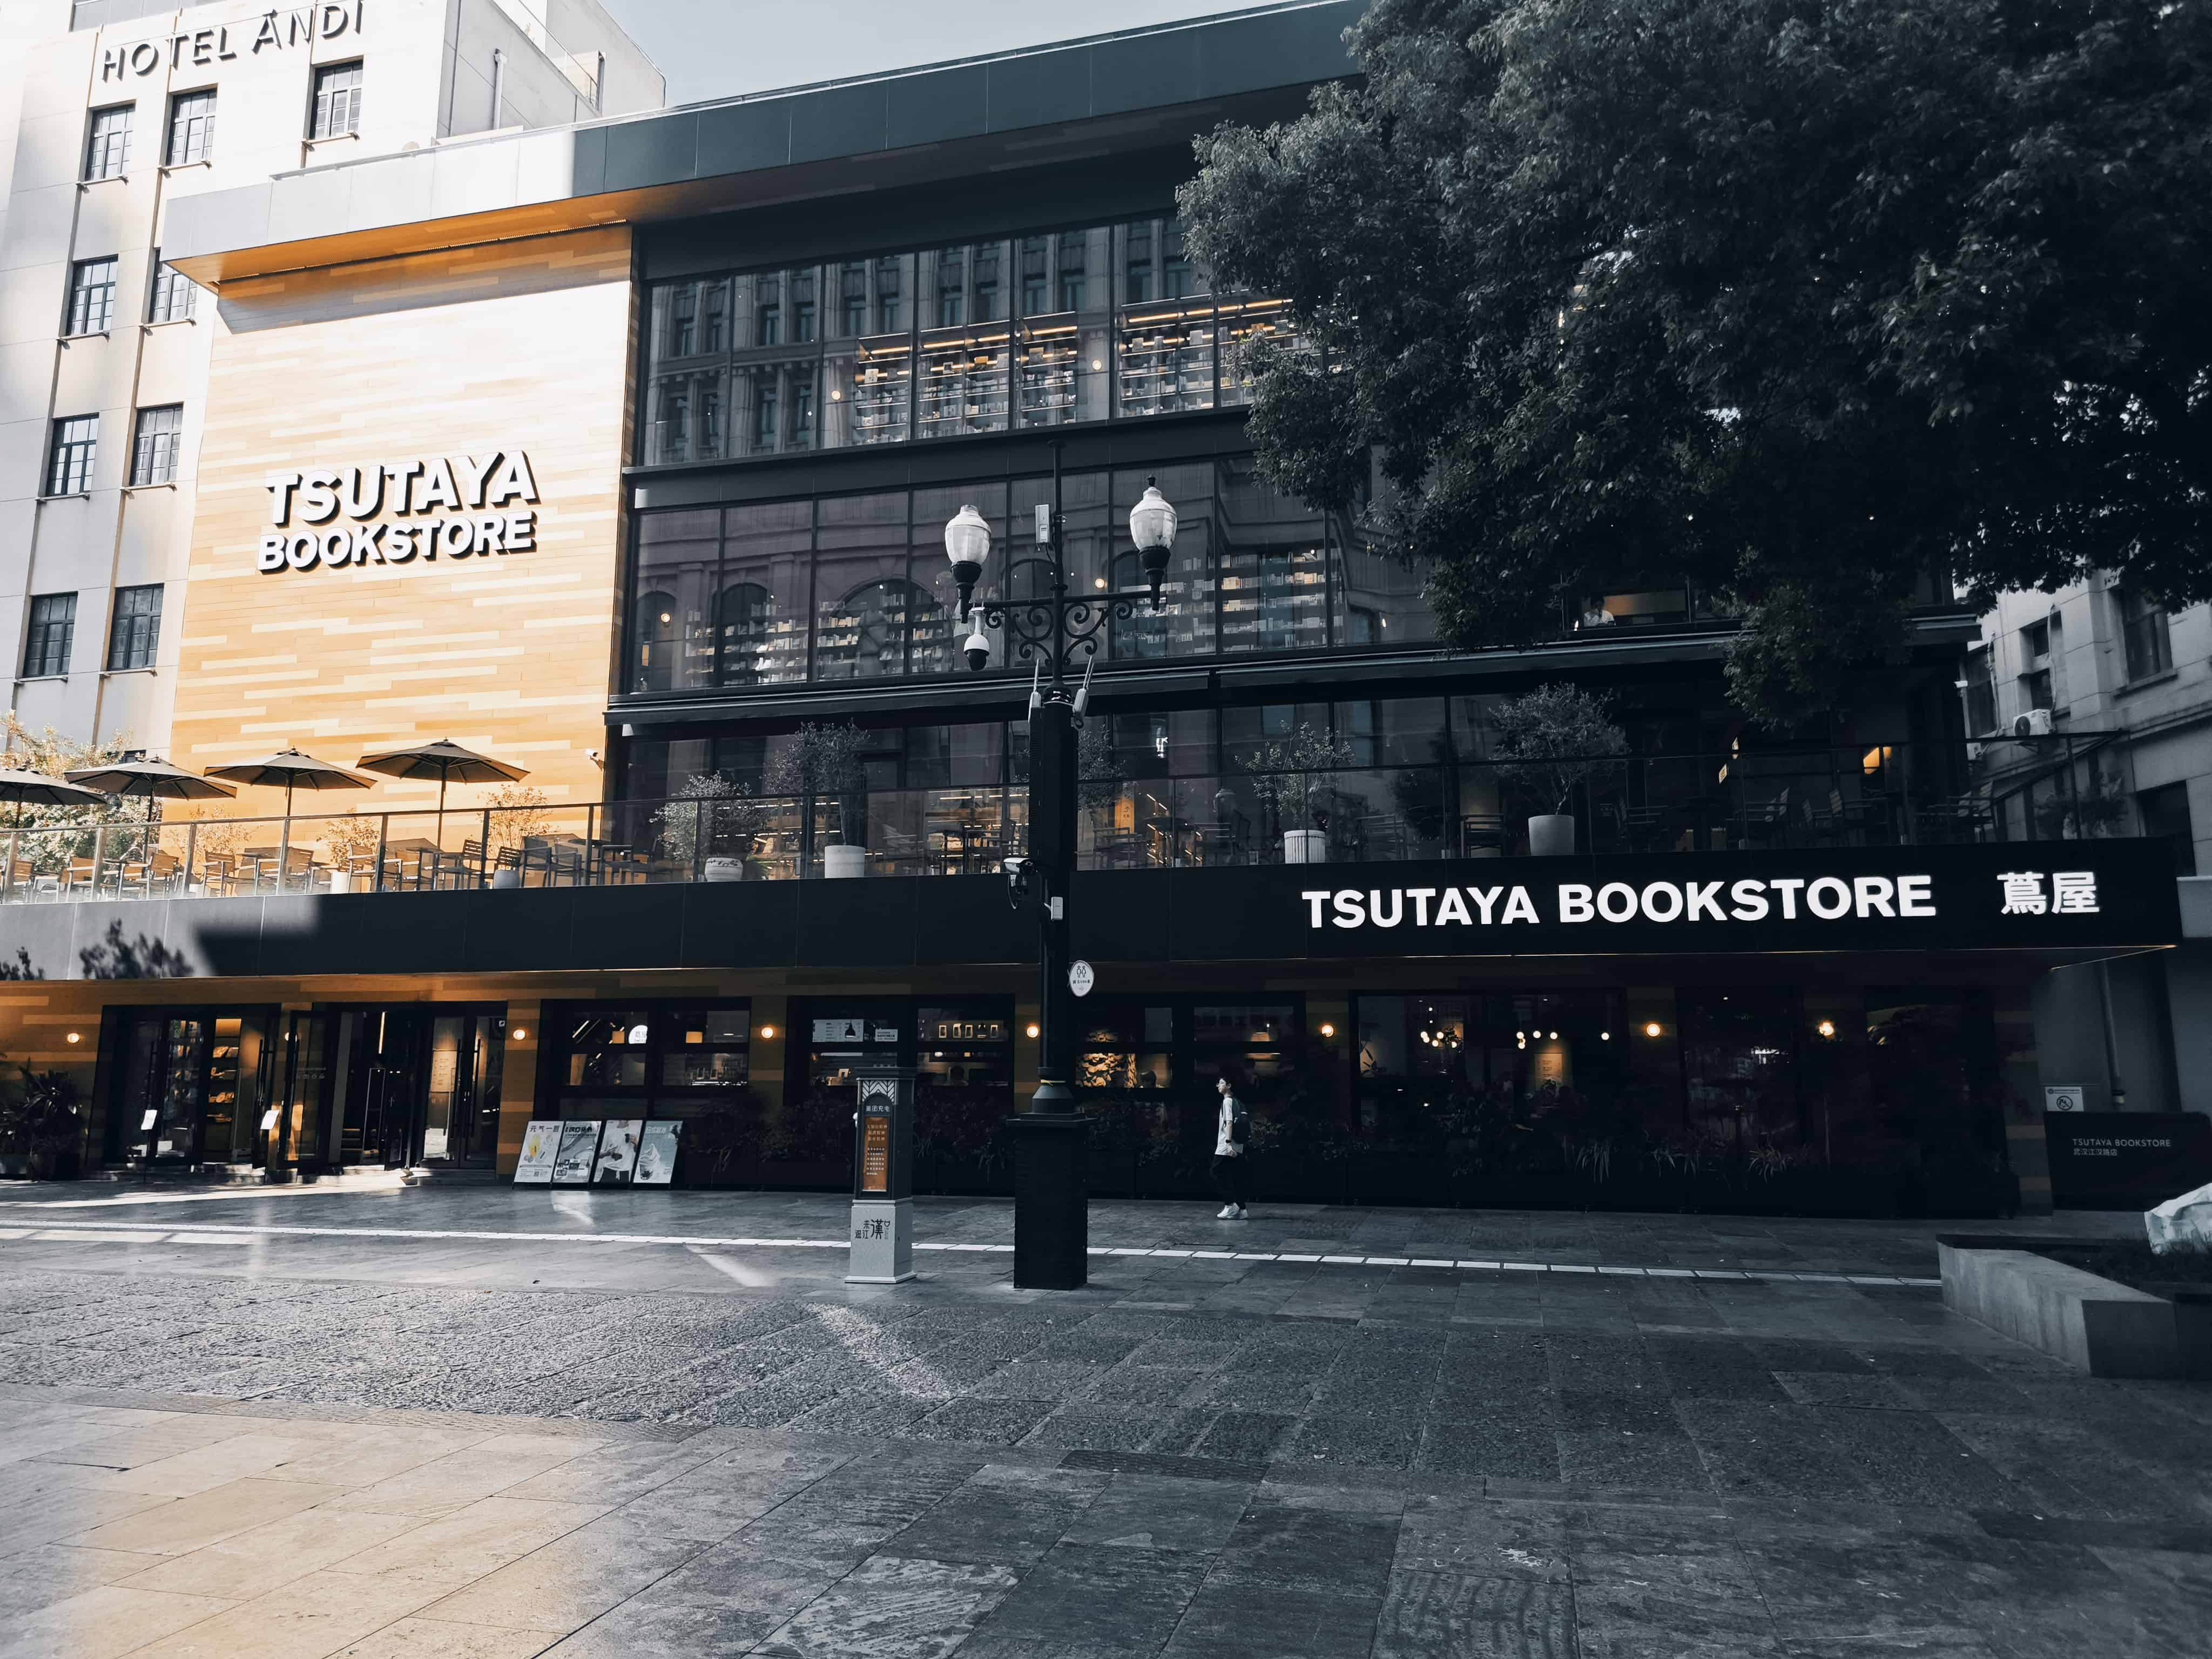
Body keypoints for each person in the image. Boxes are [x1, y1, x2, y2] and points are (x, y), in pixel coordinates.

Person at [1213, 1075, 1249, 1219]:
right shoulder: (1238, 1102)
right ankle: (1242, 1209)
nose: (1218, 1085)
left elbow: (1229, 1123)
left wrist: (1228, 1144)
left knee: (1216, 1171)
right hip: (1238, 1145)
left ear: (1229, 1086)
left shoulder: (1227, 1101)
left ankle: (1230, 1205)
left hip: (1227, 1145)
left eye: (1221, 1083)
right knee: (1236, 1176)